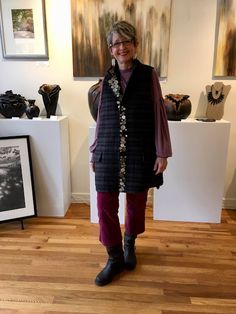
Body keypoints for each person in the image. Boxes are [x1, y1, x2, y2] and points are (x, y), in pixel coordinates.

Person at [90, 20, 172, 286]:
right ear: (110, 49)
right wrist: (94, 150)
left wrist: (162, 152)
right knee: (105, 205)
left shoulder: (148, 75)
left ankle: (129, 244)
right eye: (116, 43)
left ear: (135, 45)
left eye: (126, 42)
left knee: (136, 204)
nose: (121, 47)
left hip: (139, 150)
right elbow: (101, 117)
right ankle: (114, 257)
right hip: (108, 149)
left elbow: (159, 113)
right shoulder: (107, 78)